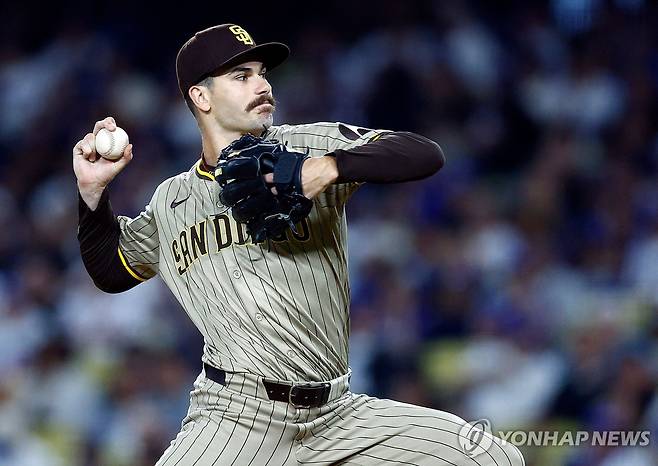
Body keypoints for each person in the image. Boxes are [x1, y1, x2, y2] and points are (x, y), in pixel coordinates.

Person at [73, 24, 524, 466]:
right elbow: (111, 272)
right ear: (201, 96)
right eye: (241, 76)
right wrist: (93, 198)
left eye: (262, 73)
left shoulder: (306, 144)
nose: (262, 84)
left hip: (338, 414)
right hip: (236, 419)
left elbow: (424, 154)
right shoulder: (173, 201)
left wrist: (326, 168)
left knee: (492, 457)